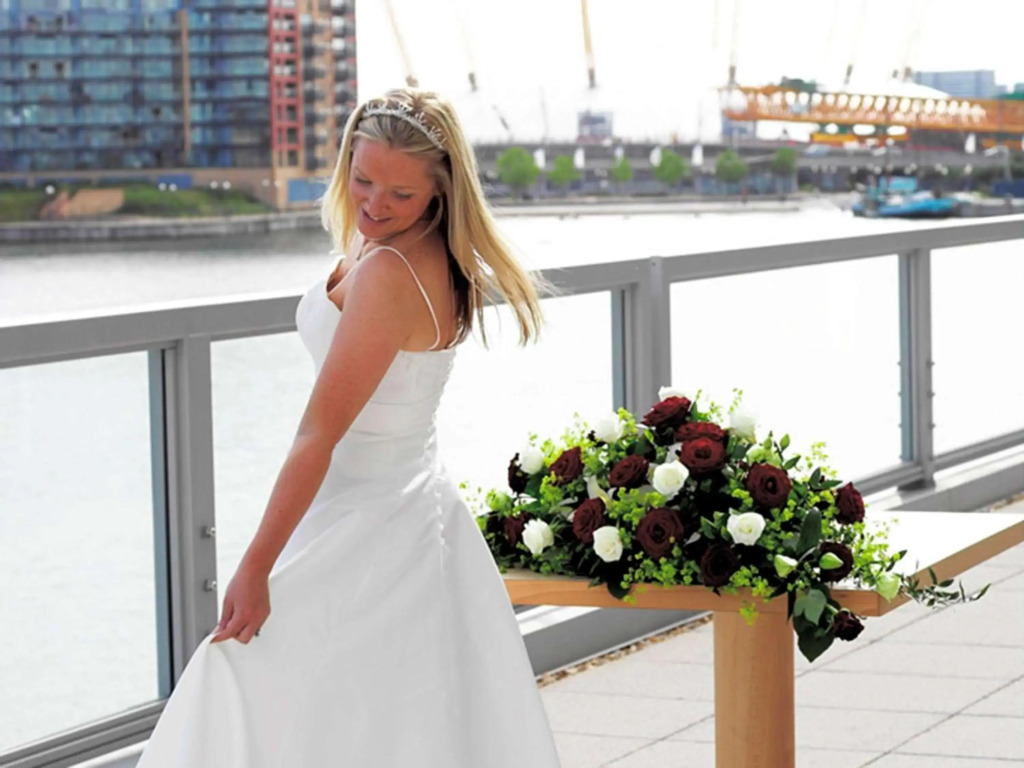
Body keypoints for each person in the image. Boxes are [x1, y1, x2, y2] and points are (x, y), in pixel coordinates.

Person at [135, 88, 563, 766]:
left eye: (400, 192)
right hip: (404, 510)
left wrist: (253, 567)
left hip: (366, 525)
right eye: (363, 179)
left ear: (441, 190)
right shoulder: (422, 250)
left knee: (246, 682)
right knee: (376, 720)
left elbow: (318, 436)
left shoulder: (390, 271)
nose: (374, 203)